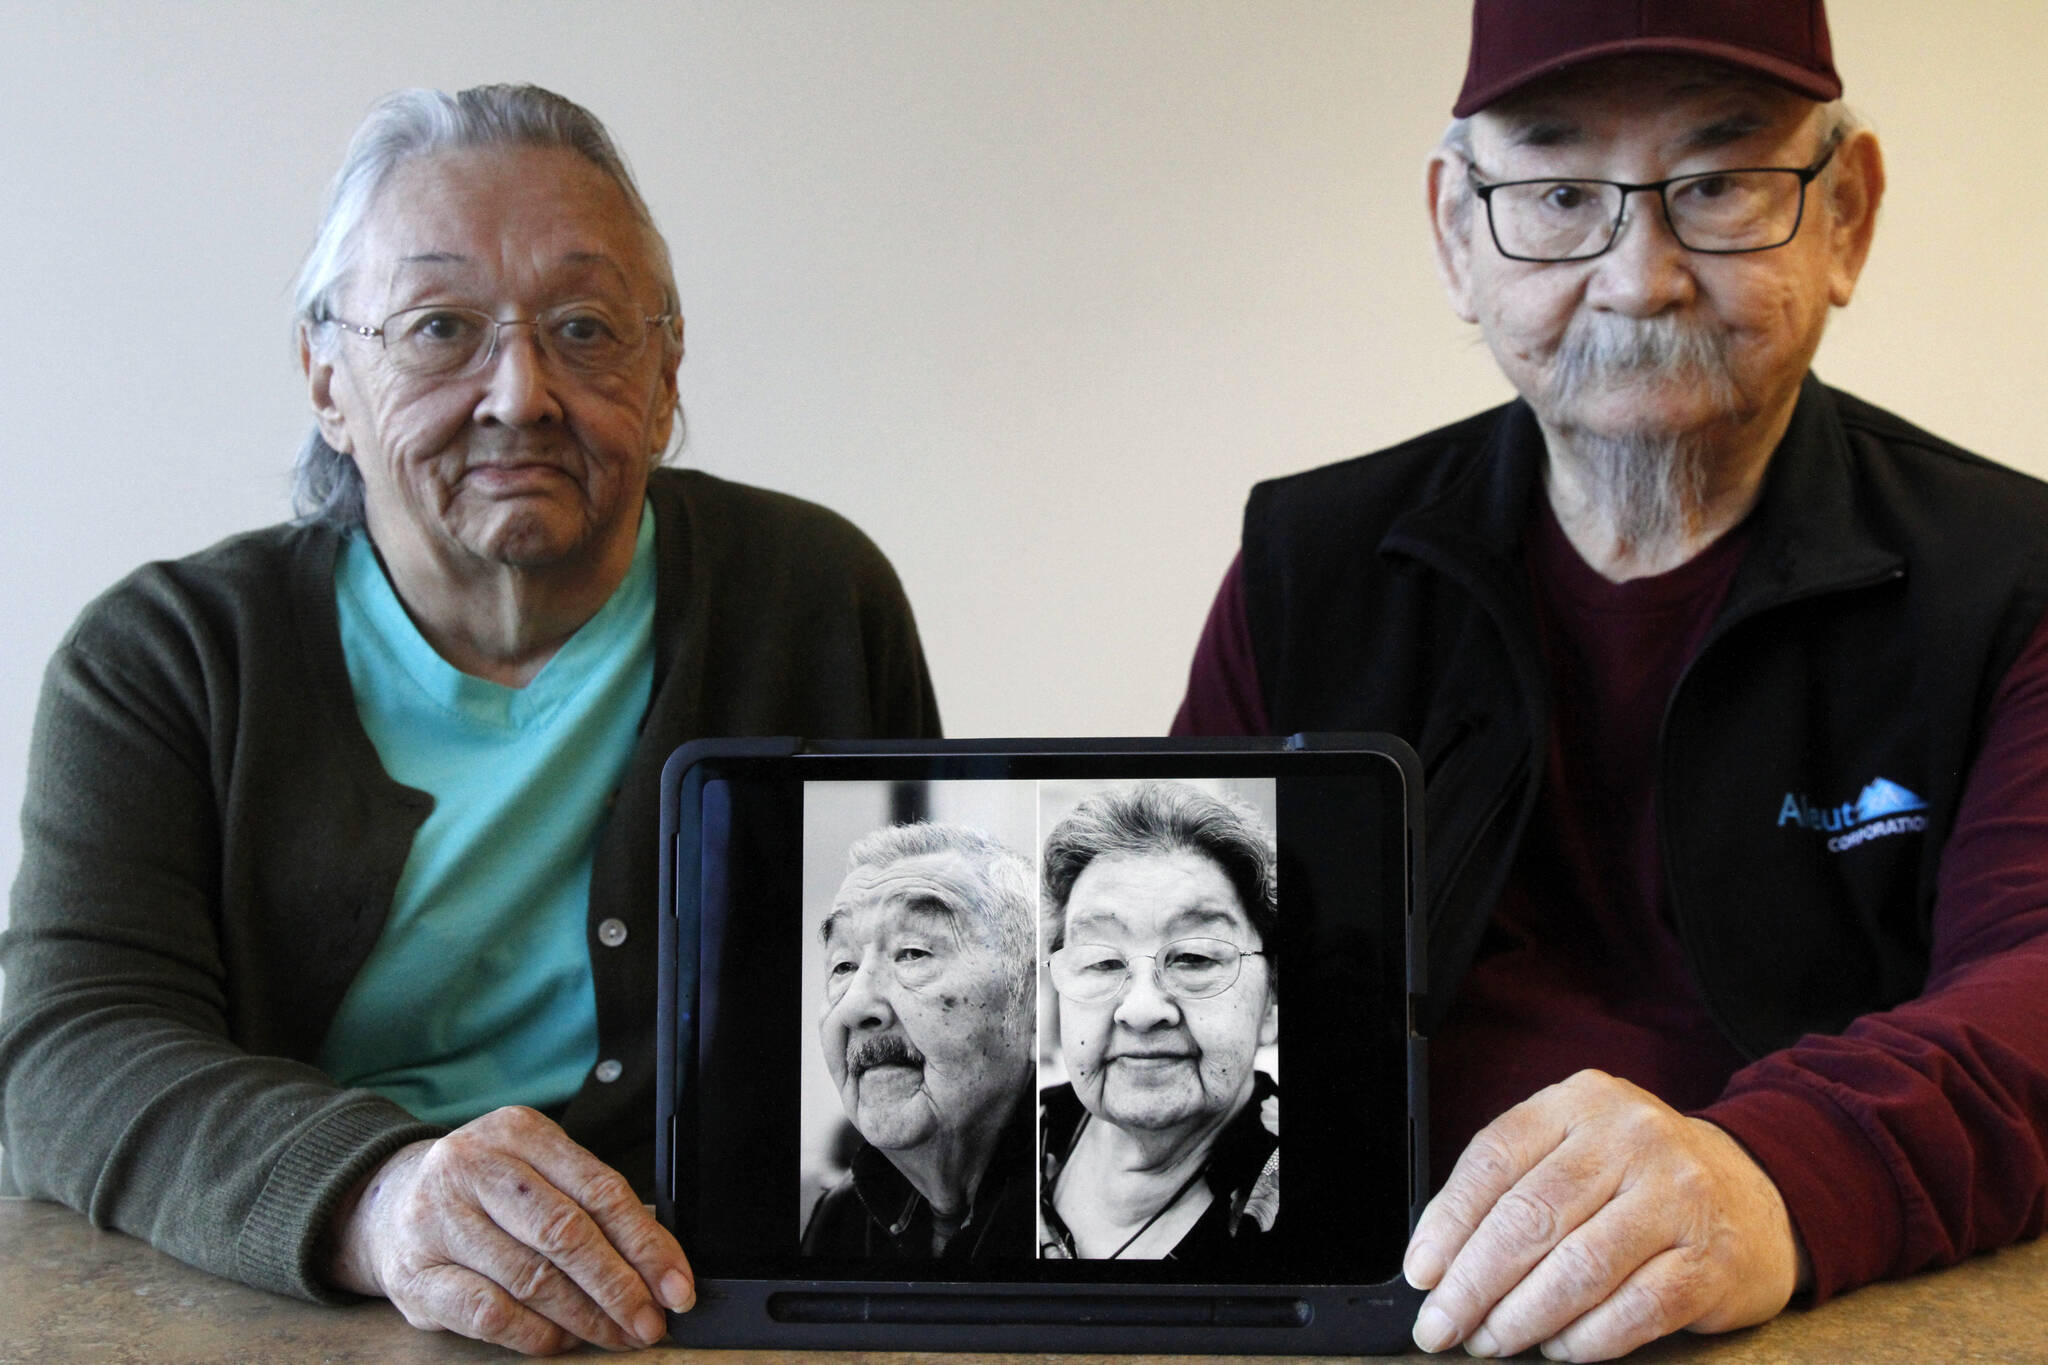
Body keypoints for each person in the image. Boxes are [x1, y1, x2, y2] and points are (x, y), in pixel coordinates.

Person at [0, 84, 938, 1356]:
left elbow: (898, 949)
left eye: (585, 327)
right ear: (328, 377)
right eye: (440, 327)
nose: (520, 393)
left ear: (665, 376)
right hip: (299, 1309)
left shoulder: (817, 596)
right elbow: (65, 1051)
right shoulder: (168, 657)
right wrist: (376, 1199)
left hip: (706, 1306)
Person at [1174, 1, 2048, 1359]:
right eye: (1561, 192)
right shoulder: (1309, 570)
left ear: (1848, 220)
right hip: (1382, 1310)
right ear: (1459, 233)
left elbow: (2039, 986)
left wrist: (1772, 1173)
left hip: (1829, 1316)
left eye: (1716, 185)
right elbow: (1154, 955)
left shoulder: (2014, 581)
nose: (1640, 279)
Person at [1036, 782, 1279, 1261]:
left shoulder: (1332, 1201)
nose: (1143, 1010)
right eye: (1102, 962)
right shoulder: (1015, 1136)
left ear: (1271, 1000)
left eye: (1192, 957)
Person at [802, 822, 1036, 1259]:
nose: (855, 1007)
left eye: (913, 953)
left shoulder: (1083, 1209)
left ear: (1033, 999)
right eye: (843, 965)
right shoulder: (842, 1219)